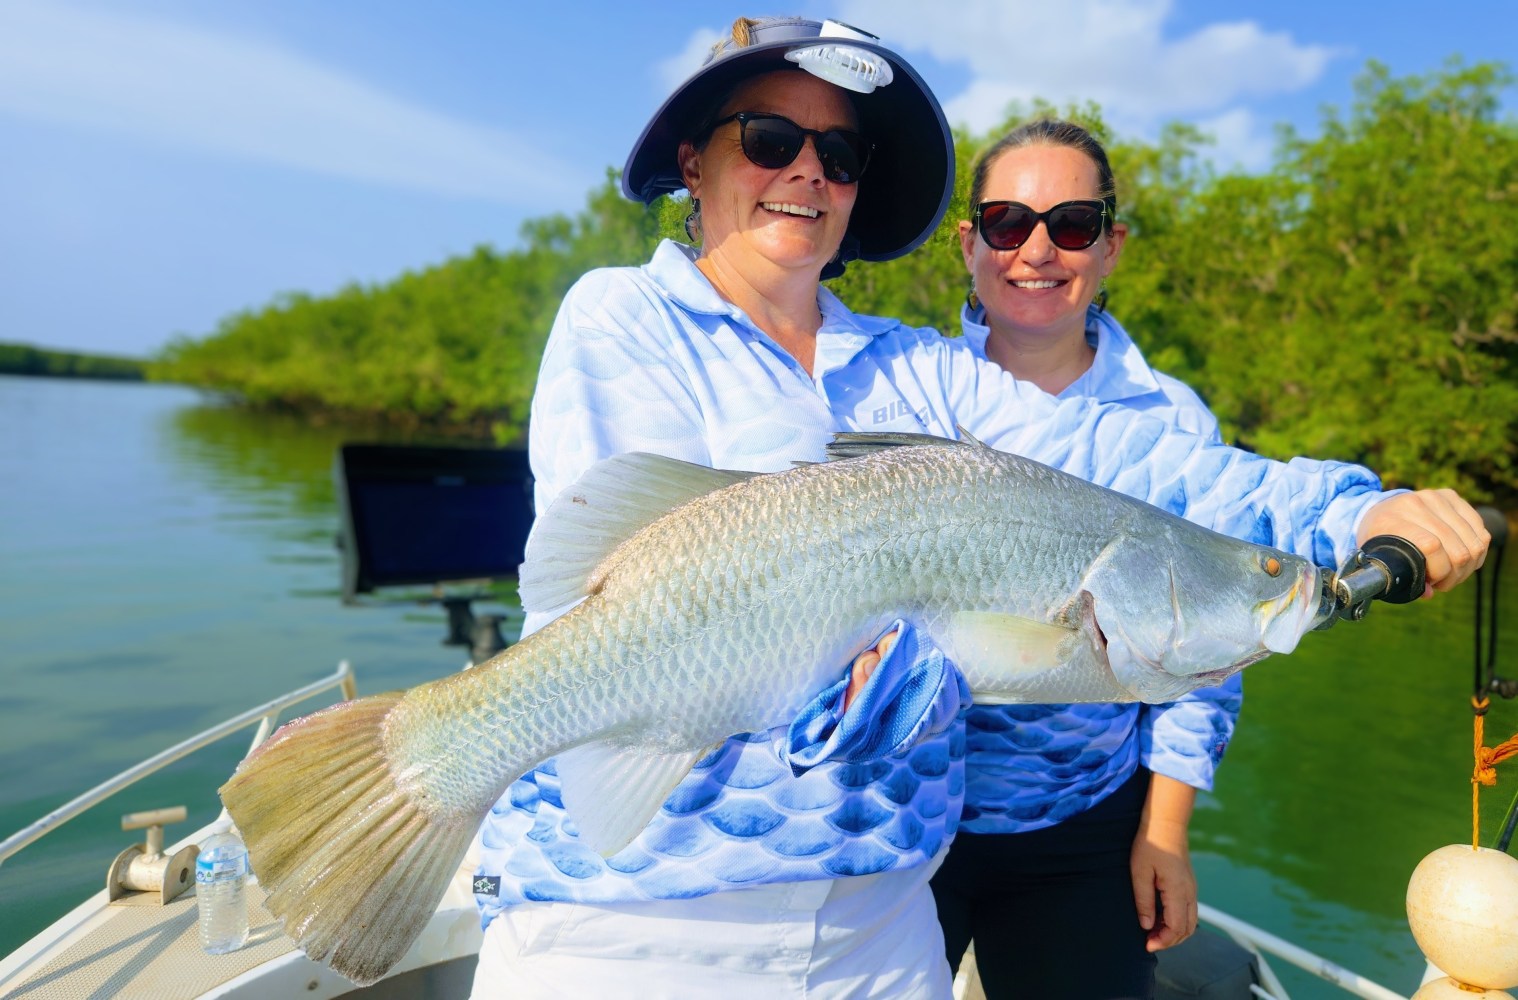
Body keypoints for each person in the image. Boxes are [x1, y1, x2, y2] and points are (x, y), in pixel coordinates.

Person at [469, 17, 1489, 999]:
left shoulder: (916, 366)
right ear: (693, 161)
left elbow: (1124, 463)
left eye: (840, 153)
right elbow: (636, 597)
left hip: (876, 919)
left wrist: (1350, 507)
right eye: (771, 139)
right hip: (637, 915)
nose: (808, 173)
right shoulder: (623, 315)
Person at [930, 119, 1228, 998]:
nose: (1036, 249)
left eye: (1071, 224)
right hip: (904, 815)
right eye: (1006, 221)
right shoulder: (909, 391)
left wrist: (1164, 832)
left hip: (1087, 824)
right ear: (968, 244)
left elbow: (1209, 649)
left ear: (1110, 246)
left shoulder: (1174, 423)